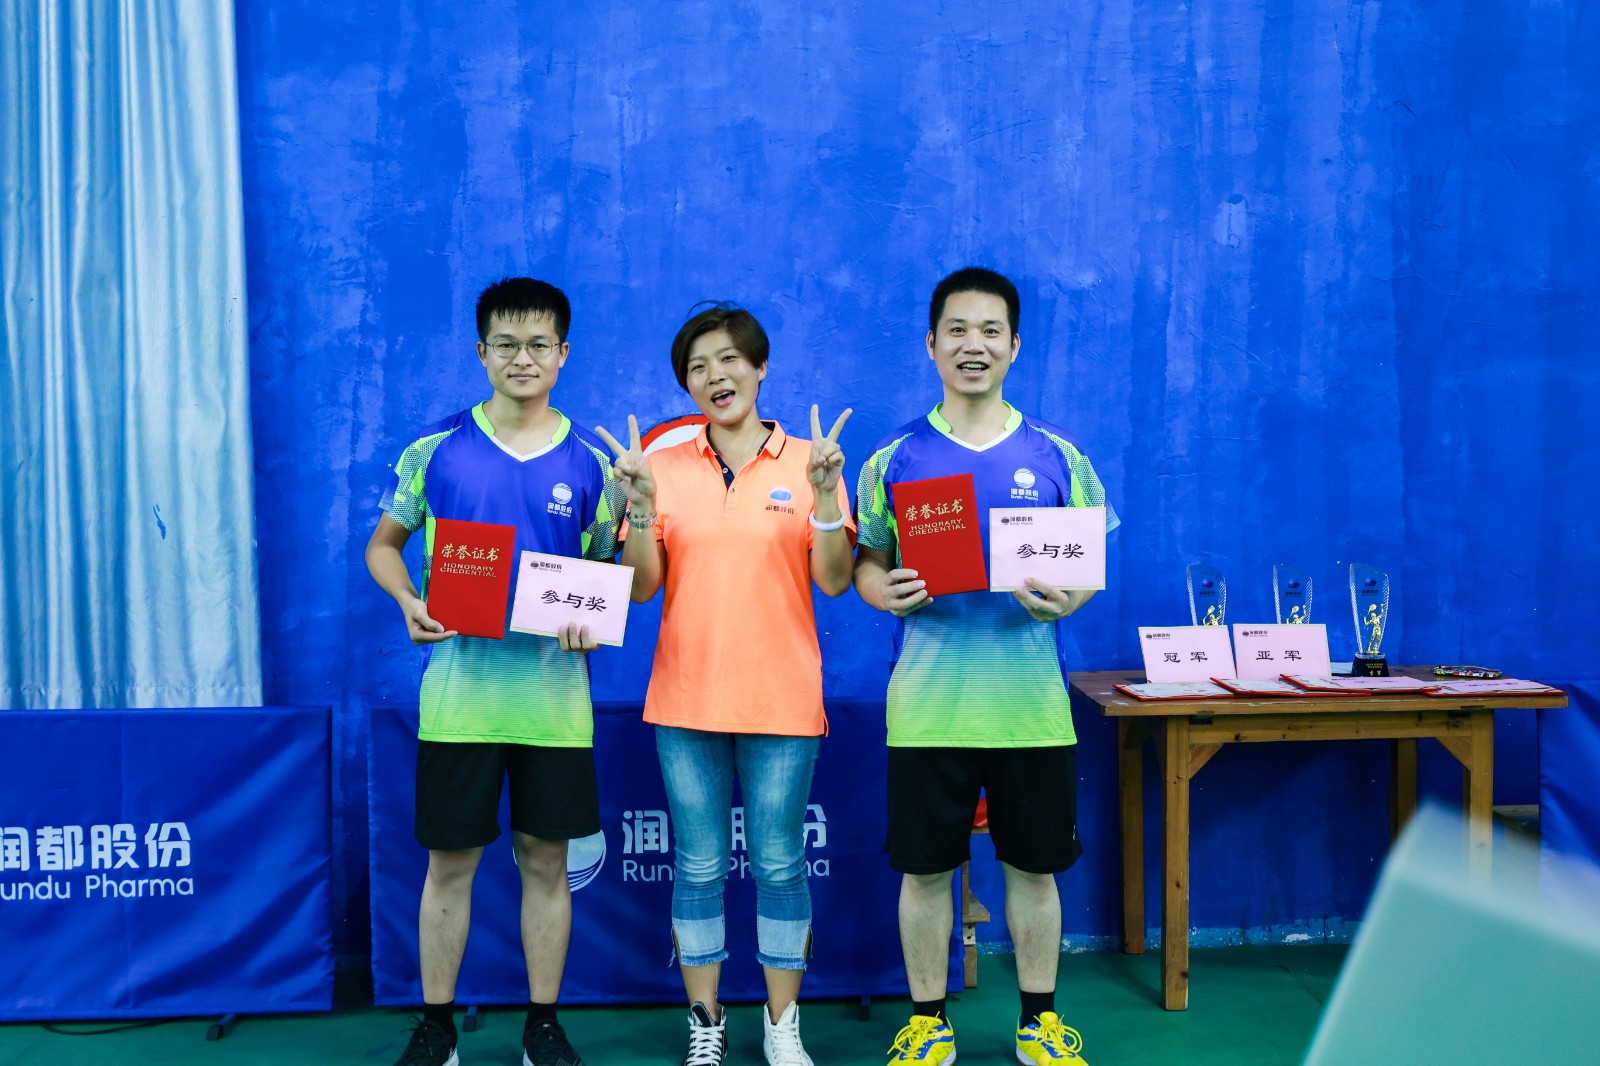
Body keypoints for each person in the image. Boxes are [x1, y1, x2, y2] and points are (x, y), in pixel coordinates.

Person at [853, 268, 1118, 1065]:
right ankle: (926, 1022)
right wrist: (883, 590)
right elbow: (868, 562)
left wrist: (1068, 601)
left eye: (991, 331)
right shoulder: (893, 458)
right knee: (926, 872)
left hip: (1029, 707)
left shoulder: (1058, 454)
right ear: (931, 344)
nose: (975, 345)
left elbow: (1087, 563)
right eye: (958, 331)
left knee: (1034, 870)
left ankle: (1040, 1022)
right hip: (929, 706)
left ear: (1014, 346)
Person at [366, 277, 622, 1066]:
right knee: (450, 865)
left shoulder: (594, 465)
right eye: (505, 344)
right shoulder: (434, 450)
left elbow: (604, 574)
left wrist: (590, 620)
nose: (522, 358)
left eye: (539, 344)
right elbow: (384, 547)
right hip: (460, 700)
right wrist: (409, 600)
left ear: (563, 354)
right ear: (482, 353)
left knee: (547, 864)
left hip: (553, 705)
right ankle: (436, 1027)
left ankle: (542, 1025)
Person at [594, 303, 855, 1066]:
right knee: (700, 867)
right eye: (698, 366)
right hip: (687, 700)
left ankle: (782, 1025)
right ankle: (706, 1024)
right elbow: (643, 588)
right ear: (686, 383)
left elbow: (834, 580)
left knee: (779, 865)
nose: (716, 375)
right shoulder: (665, 467)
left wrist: (827, 496)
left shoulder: (810, 461)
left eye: (730, 359)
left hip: (783, 700)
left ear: (760, 367)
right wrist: (642, 508)